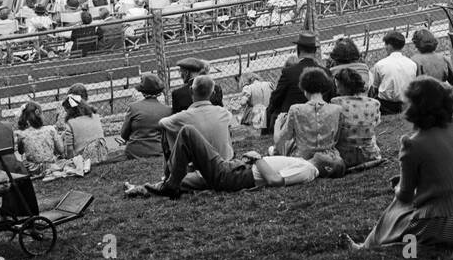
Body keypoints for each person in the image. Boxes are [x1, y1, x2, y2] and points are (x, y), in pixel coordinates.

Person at [342, 77, 453, 251]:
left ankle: (365, 247)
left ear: (413, 107)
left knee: (397, 207)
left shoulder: (413, 143)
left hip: (448, 227)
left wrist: (398, 186)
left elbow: (405, 196)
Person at [132, 126, 318, 198]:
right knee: (185, 180)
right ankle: (139, 189)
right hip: (236, 170)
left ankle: (170, 184)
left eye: (332, 158)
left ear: (328, 166)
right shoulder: (302, 161)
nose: (328, 153)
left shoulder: (308, 169)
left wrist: (257, 158)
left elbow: (274, 180)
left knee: (188, 132)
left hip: (235, 175)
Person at [274, 68, 344, 176]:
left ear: (304, 89)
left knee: (275, 148)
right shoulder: (337, 109)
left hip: (302, 159)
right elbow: (337, 138)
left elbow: (280, 140)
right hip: (330, 159)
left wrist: (277, 123)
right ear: (324, 87)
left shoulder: (295, 109)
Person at [161, 74, 235, 161]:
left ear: (191, 91)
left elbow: (162, 123)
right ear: (213, 94)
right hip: (224, 164)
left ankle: (172, 169)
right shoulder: (224, 113)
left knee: (166, 128)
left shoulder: (183, 117)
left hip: (199, 167)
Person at [266, 31, 321, 131]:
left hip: (293, 123)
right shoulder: (324, 72)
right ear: (315, 51)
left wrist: (269, 113)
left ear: (298, 50)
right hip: (319, 120)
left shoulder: (288, 72)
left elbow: (276, 98)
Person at [331, 66, 382, 169]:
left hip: (345, 157)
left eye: (338, 86)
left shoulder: (335, 102)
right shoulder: (374, 103)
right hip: (370, 154)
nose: (337, 90)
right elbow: (375, 124)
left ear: (343, 86)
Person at [120, 74, 171, 159]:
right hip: (157, 151)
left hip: (134, 152)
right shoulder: (168, 110)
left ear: (142, 91)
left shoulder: (133, 107)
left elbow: (124, 134)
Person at [368, 30, 416, 114]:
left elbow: (375, 87)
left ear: (389, 46)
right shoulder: (412, 64)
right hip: (408, 102)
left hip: (386, 105)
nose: (385, 47)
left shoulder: (380, 65)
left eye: (386, 44)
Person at [15, 100, 64, 174]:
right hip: (51, 166)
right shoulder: (50, 129)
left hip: (33, 169)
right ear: (40, 114)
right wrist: (60, 138)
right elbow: (60, 150)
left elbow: (20, 151)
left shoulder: (22, 134)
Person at [58, 94, 108, 163]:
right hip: (102, 153)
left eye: (66, 111)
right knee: (65, 134)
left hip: (86, 157)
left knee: (65, 137)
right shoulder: (95, 116)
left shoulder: (71, 123)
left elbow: (69, 149)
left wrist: (70, 160)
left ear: (70, 110)